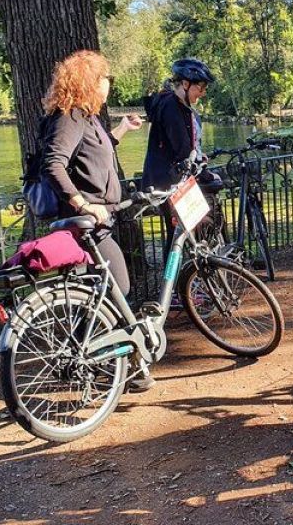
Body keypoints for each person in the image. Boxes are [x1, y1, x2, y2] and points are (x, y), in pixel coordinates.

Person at [40, 50, 151, 390]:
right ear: (90, 82)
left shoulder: (87, 118)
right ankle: (111, 363)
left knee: (100, 293)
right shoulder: (70, 116)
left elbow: (94, 154)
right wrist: (82, 203)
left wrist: (120, 130)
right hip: (86, 225)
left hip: (100, 222)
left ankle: (92, 359)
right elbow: (54, 163)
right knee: (118, 288)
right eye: (105, 78)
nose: (108, 85)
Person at [142, 58, 216, 259]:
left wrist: (199, 161)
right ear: (185, 84)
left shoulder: (178, 106)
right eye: (199, 87)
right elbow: (182, 148)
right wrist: (201, 167)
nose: (202, 93)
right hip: (170, 183)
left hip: (176, 180)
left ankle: (185, 283)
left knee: (186, 231)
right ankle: (175, 287)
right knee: (179, 236)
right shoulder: (171, 107)